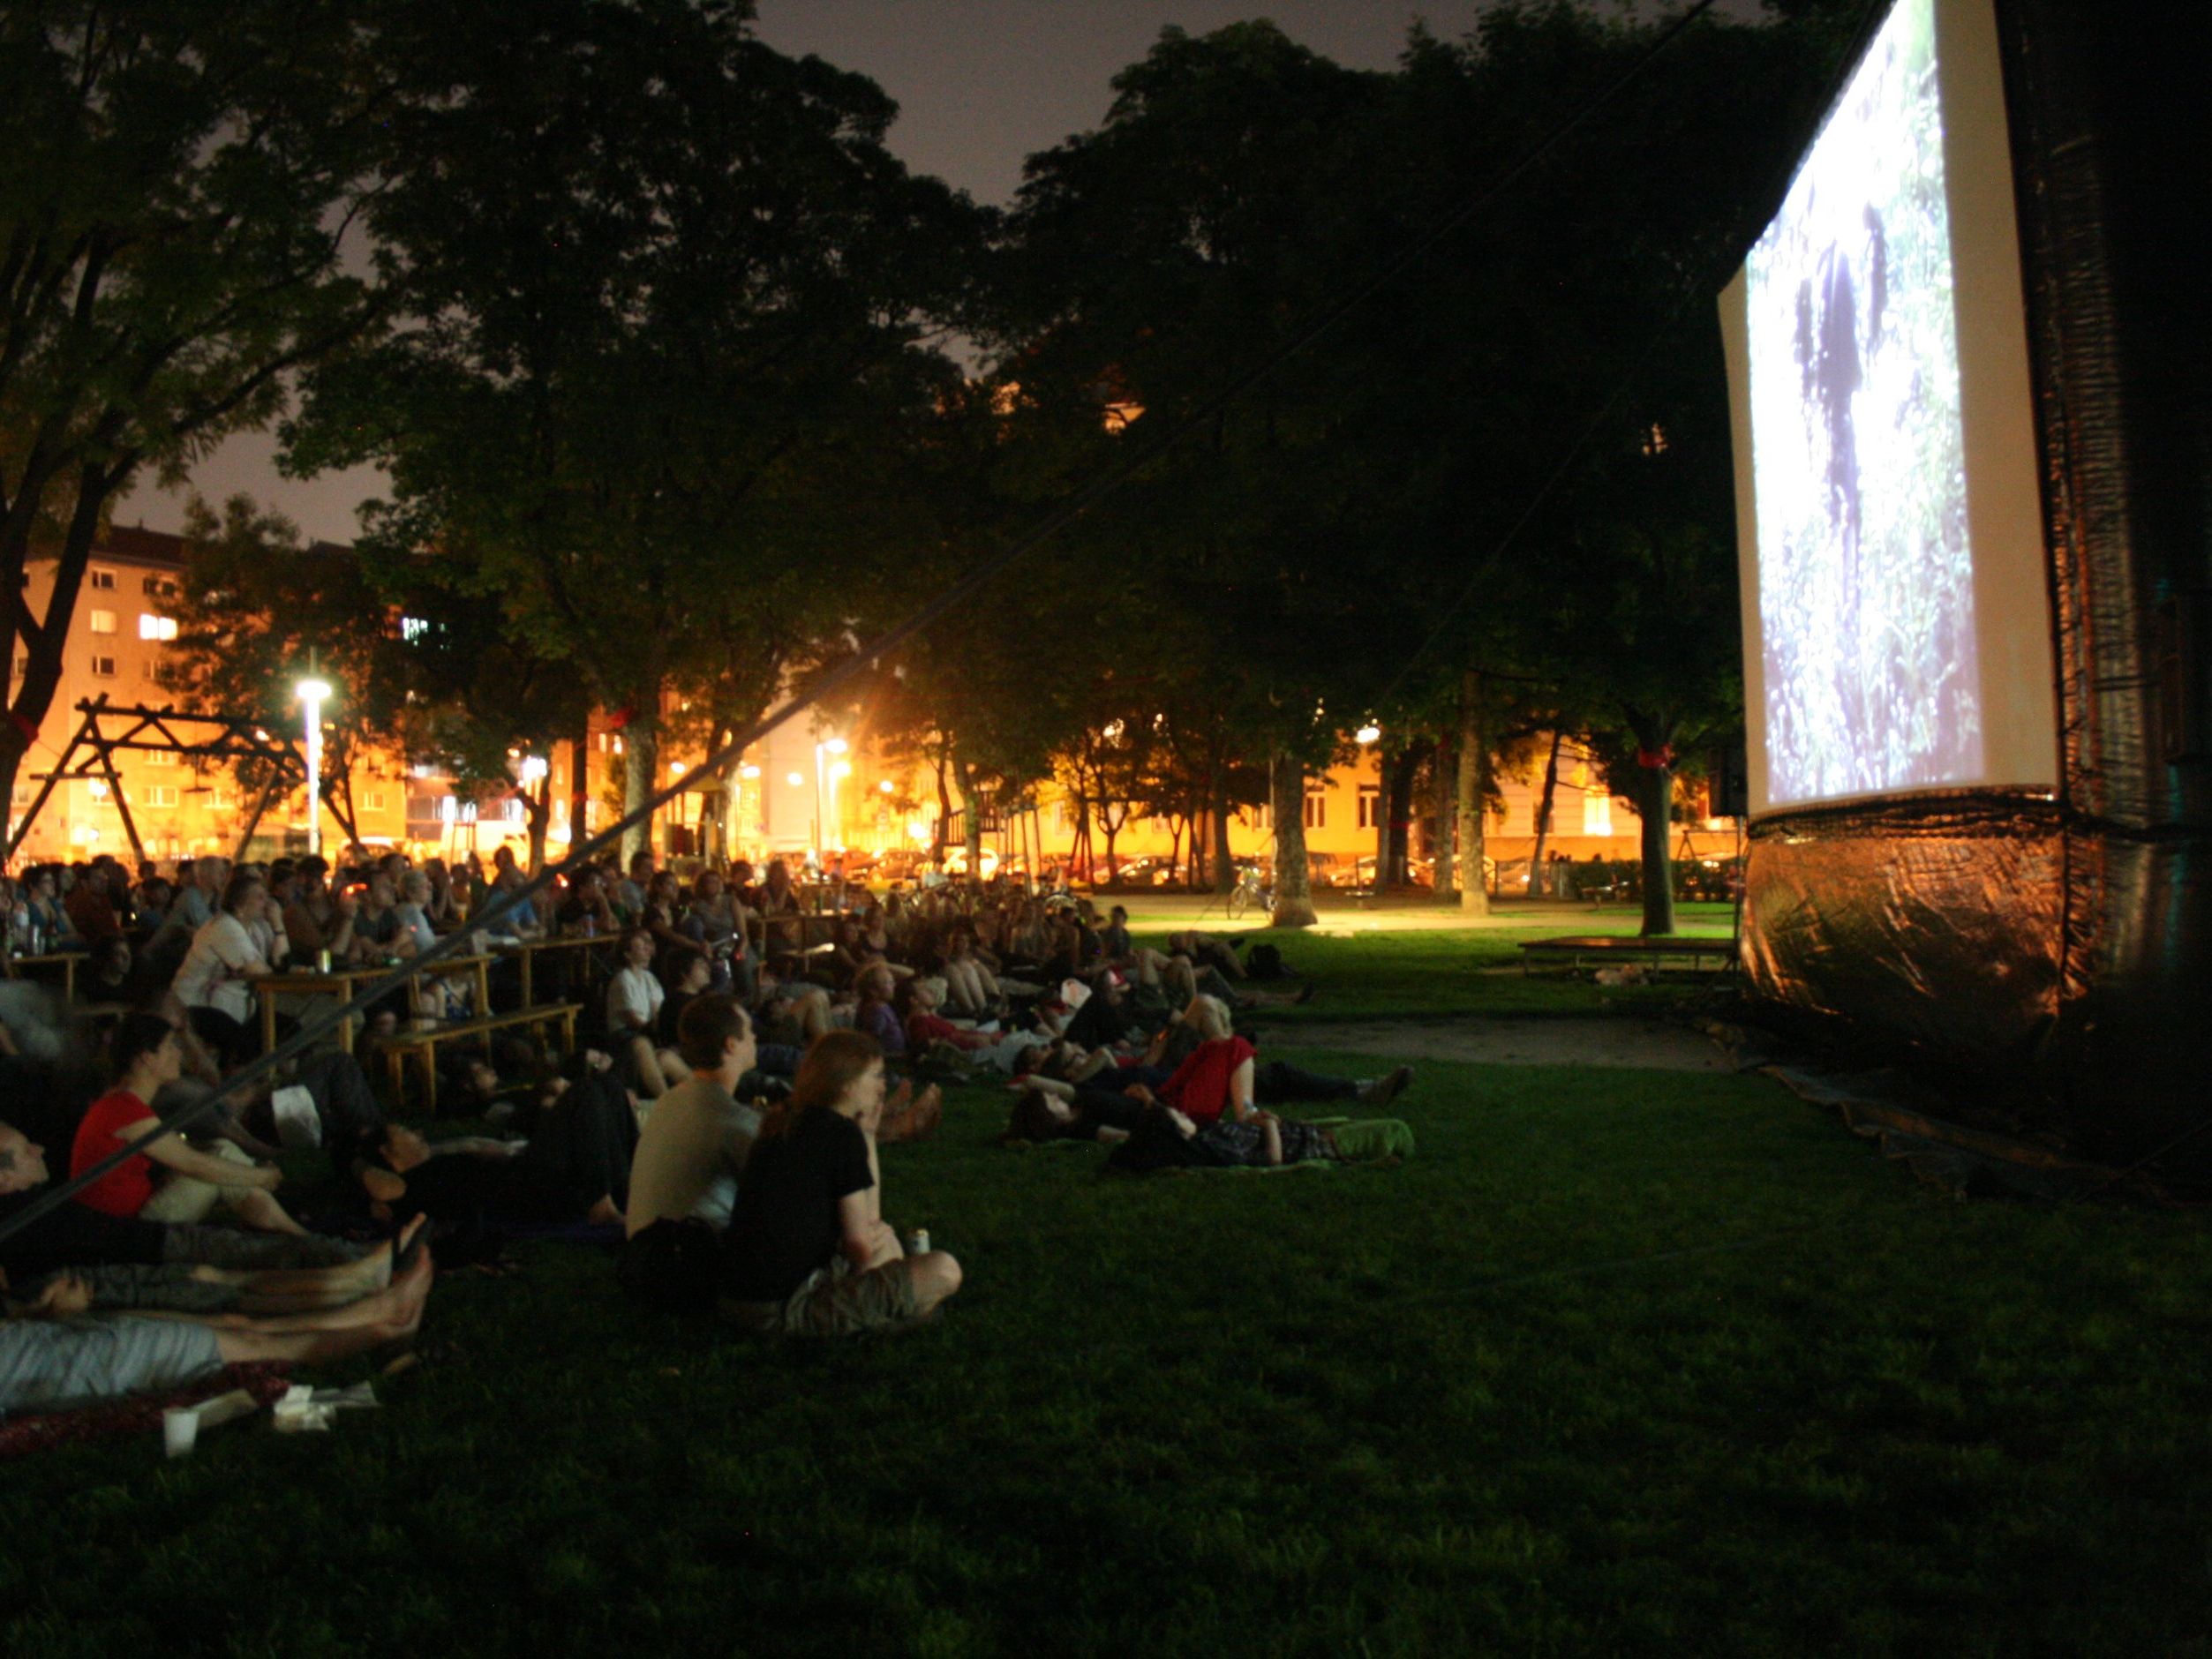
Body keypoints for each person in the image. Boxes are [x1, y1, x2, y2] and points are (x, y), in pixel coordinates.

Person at [719, 1031, 960, 1336]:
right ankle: (890, 1319)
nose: (882, 1086)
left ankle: (892, 1309)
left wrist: (869, 1135)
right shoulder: (839, 1134)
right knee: (943, 1269)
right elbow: (860, 1248)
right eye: (875, 1076)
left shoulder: (783, 1122)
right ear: (846, 1083)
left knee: (888, 1245)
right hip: (784, 1308)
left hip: (737, 1297)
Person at [1, 1248, 432, 1416]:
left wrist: (31, 1312)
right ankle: (384, 1324)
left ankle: (383, 1320)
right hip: (83, 1361)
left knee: (244, 1334)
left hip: (57, 1342)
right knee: (252, 1343)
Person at [70, 1014, 313, 1235]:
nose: (178, 1053)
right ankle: (298, 1233)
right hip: (127, 1230)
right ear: (147, 1058)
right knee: (216, 1164)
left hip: (131, 1216)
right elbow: (192, 1163)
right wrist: (257, 1177)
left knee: (220, 1152)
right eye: (169, 1047)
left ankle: (290, 1229)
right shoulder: (124, 1109)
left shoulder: (120, 1101)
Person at [625, 995, 761, 1237]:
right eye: (749, 1031)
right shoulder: (731, 1119)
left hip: (641, 1251)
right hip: (694, 1260)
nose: (754, 1037)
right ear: (731, 1045)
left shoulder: (670, 1101)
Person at [170, 873, 283, 1068]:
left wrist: (279, 926)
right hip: (197, 1006)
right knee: (244, 1044)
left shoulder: (256, 929)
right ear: (240, 905)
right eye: (259, 897)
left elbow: (281, 962)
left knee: (290, 1029)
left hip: (236, 1006)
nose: (267, 902)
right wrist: (271, 967)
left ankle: (283, 1083)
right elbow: (260, 972)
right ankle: (237, 1090)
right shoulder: (224, 927)